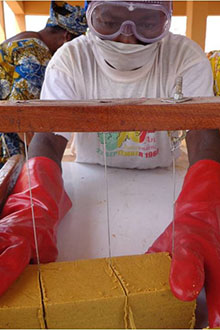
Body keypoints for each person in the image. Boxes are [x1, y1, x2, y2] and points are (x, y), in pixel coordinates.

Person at [1, 1, 220, 328]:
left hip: (162, 177)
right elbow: (48, 137)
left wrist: (200, 213)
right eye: (111, 21)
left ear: (167, 20)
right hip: (90, 174)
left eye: (146, 23)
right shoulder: (71, 59)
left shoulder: (185, 57)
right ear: (90, 17)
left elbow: (204, 135)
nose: (127, 39)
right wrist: (32, 206)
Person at [0, 0, 88, 168]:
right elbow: (20, 118)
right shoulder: (37, 52)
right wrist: (45, 163)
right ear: (67, 38)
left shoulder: (25, 38)